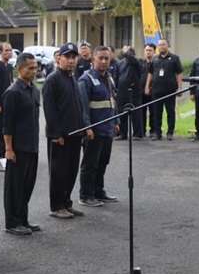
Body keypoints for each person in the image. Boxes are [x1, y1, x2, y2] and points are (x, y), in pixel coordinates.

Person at [43, 43, 86, 220]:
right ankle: (57, 205)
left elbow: (78, 107)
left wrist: (84, 128)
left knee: (71, 171)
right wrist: (56, 134)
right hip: (60, 136)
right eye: (67, 57)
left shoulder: (72, 78)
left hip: (75, 134)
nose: (71, 60)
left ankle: (67, 202)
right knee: (58, 172)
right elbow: (50, 110)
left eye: (73, 57)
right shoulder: (53, 80)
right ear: (58, 58)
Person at [2, 52, 42, 235]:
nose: (34, 71)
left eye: (35, 67)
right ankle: (12, 222)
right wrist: (8, 148)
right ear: (19, 69)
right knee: (15, 187)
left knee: (27, 185)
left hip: (32, 146)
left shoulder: (34, 90)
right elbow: (7, 125)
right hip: (17, 148)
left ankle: (23, 219)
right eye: (30, 68)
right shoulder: (13, 92)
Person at [78, 46, 119, 207]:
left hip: (107, 128)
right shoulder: (85, 79)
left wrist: (116, 122)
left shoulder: (109, 78)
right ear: (93, 59)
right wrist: (87, 127)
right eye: (100, 58)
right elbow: (83, 107)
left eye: (106, 58)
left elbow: (113, 102)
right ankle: (86, 195)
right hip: (93, 130)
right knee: (90, 164)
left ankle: (98, 191)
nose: (103, 61)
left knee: (103, 162)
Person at [145, 39, 181, 139]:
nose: (161, 46)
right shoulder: (155, 59)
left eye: (163, 44)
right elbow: (150, 73)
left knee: (170, 112)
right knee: (157, 112)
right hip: (156, 91)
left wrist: (179, 87)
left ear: (167, 46)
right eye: (159, 45)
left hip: (170, 90)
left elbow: (179, 74)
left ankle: (170, 133)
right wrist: (147, 86)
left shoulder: (174, 58)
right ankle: (157, 133)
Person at [114, 45, 145, 139]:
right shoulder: (120, 63)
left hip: (134, 90)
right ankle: (123, 134)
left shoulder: (137, 61)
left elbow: (132, 59)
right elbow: (117, 75)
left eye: (128, 52)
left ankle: (137, 134)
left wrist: (127, 52)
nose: (126, 53)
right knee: (122, 112)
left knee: (136, 112)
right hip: (122, 90)